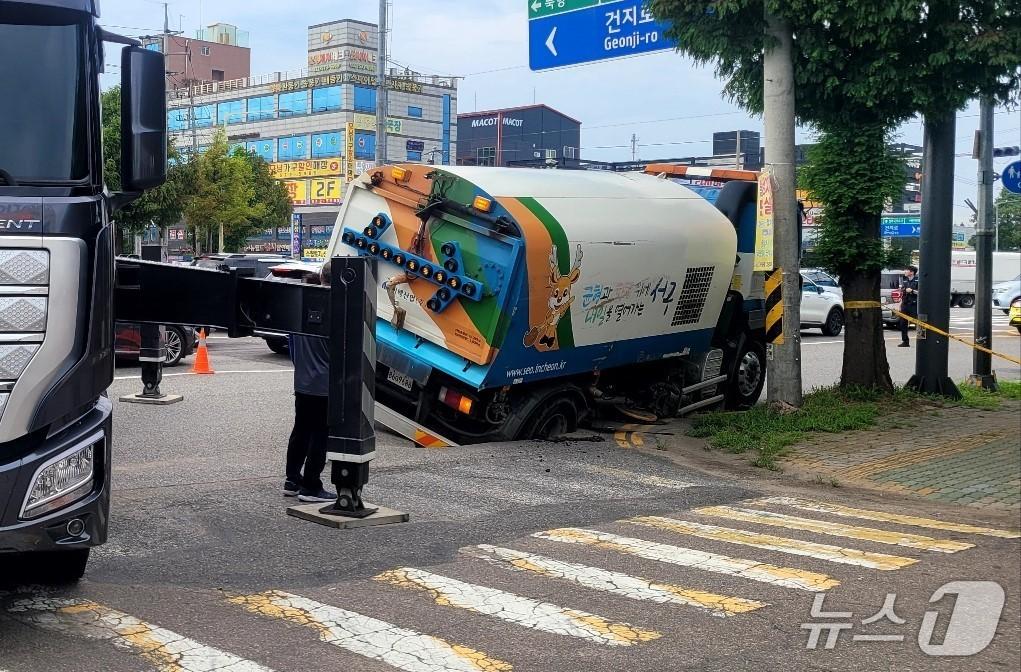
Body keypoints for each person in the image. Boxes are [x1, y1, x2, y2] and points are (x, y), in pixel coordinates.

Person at [283, 261, 336, 503]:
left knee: (301, 430)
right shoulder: (336, 308)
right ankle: (311, 485)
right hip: (324, 384)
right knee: (320, 435)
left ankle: (292, 480)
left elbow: (291, 344)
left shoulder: (302, 305)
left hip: (302, 381)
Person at [898, 265, 919, 348]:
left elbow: (922, 292)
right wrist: (901, 304)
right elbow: (902, 291)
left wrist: (913, 291)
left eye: (906, 270)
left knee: (919, 323)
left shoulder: (918, 281)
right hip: (905, 304)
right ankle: (905, 341)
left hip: (914, 305)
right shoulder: (905, 281)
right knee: (903, 323)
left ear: (912, 272)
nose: (905, 272)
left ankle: (922, 342)